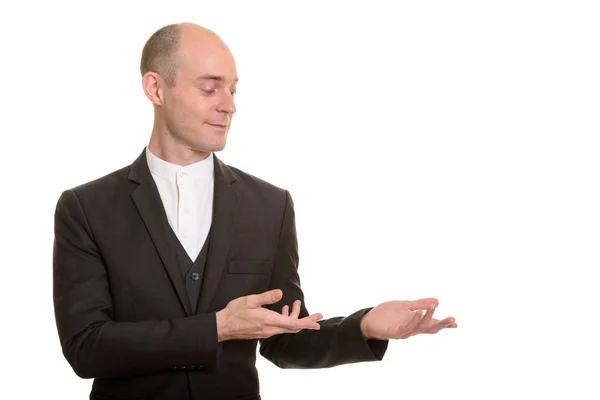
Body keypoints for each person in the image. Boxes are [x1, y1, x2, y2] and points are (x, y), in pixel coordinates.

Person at [52, 22, 457, 400]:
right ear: (155, 88)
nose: (229, 106)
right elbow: (86, 348)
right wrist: (217, 328)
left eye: (233, 90)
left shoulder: (270, 205)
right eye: (210, 89)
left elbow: (285, 339)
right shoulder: (86, 208)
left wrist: (364, 326)